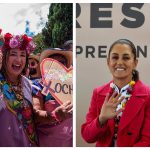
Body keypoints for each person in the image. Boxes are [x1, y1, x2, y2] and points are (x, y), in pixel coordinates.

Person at [81, 39, 150, 147]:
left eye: (126, 58)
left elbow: (147, 141)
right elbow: (88, 137)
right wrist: (101, 119)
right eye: (115, 57)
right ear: (108, 62)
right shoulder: (98, 93)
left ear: (135, 63)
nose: (119, 62)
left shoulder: (148, 95)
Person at [0, 33, 38, 146]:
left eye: (22, 55)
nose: (18, 59)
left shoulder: (27, 83)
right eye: (13, 54)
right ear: (4, 56)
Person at [32, 48, 73, 147]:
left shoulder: (73, 85)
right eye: (52, 62)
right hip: (47, 143)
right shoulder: (39, 86)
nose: (57, 66)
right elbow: (35, 114)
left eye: (61, 62)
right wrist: (55, 115)